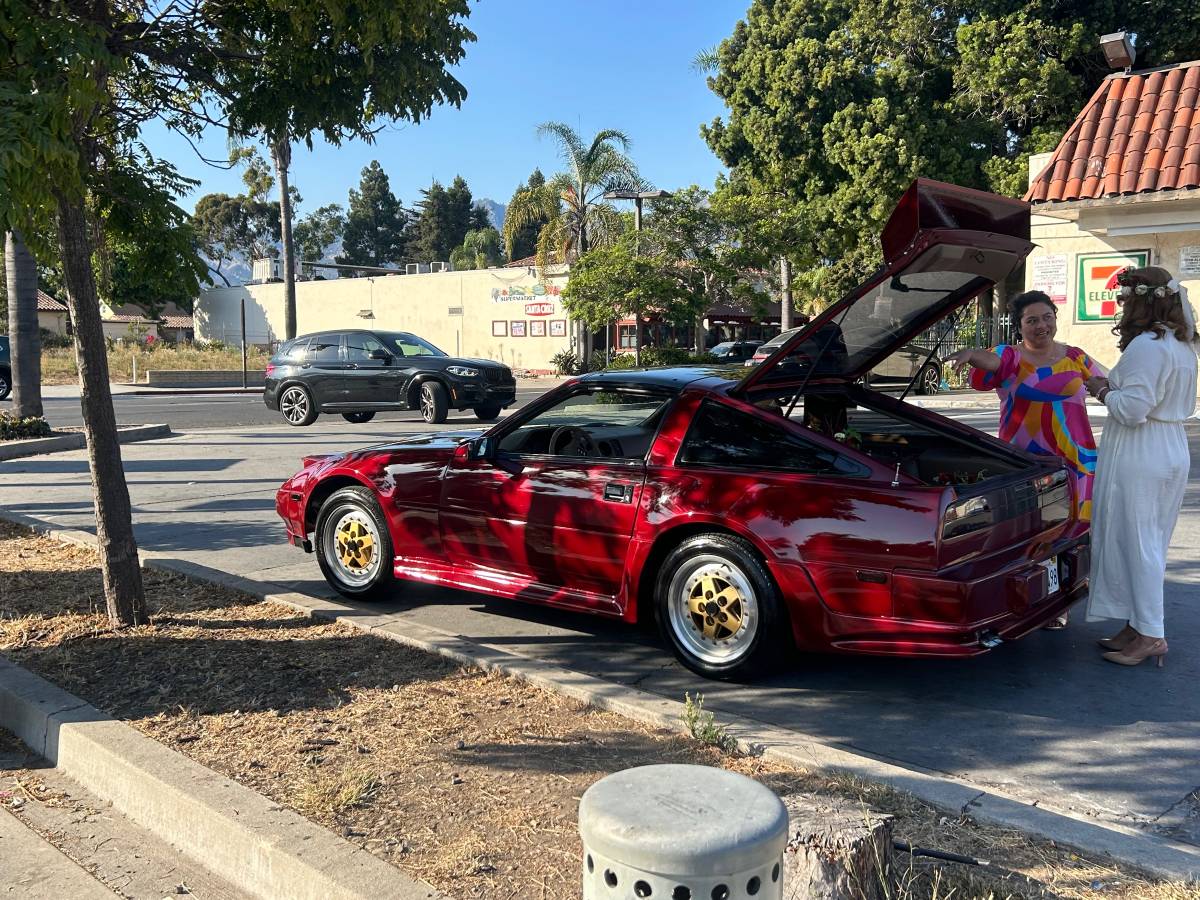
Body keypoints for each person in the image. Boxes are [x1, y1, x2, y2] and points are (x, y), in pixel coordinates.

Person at [945, 290, 1105, 628]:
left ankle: (1059, 599)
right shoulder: (1011, 356)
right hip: (1025, 464)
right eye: (1032, 320)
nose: (1041, 325)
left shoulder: (1075, 357)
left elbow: (1105, 382)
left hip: (1076, 461)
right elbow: (992, 363)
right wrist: (974, 353)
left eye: (1047, 317)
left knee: (1070, 533)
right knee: (1029, 535)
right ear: (1019, 326)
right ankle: (1028, 600)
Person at [1083, 266, 1198, 668]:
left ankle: (1151, 634)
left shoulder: (1149, 346)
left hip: (1142, 448)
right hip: (1168, 445)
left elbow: (1132, 410)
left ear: (1143, 299)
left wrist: (1100, 389)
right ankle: (1137, 623)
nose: (1122, 304)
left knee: (1138, 542)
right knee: (1142, 540)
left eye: (1127, 296)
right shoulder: (1181, 344)